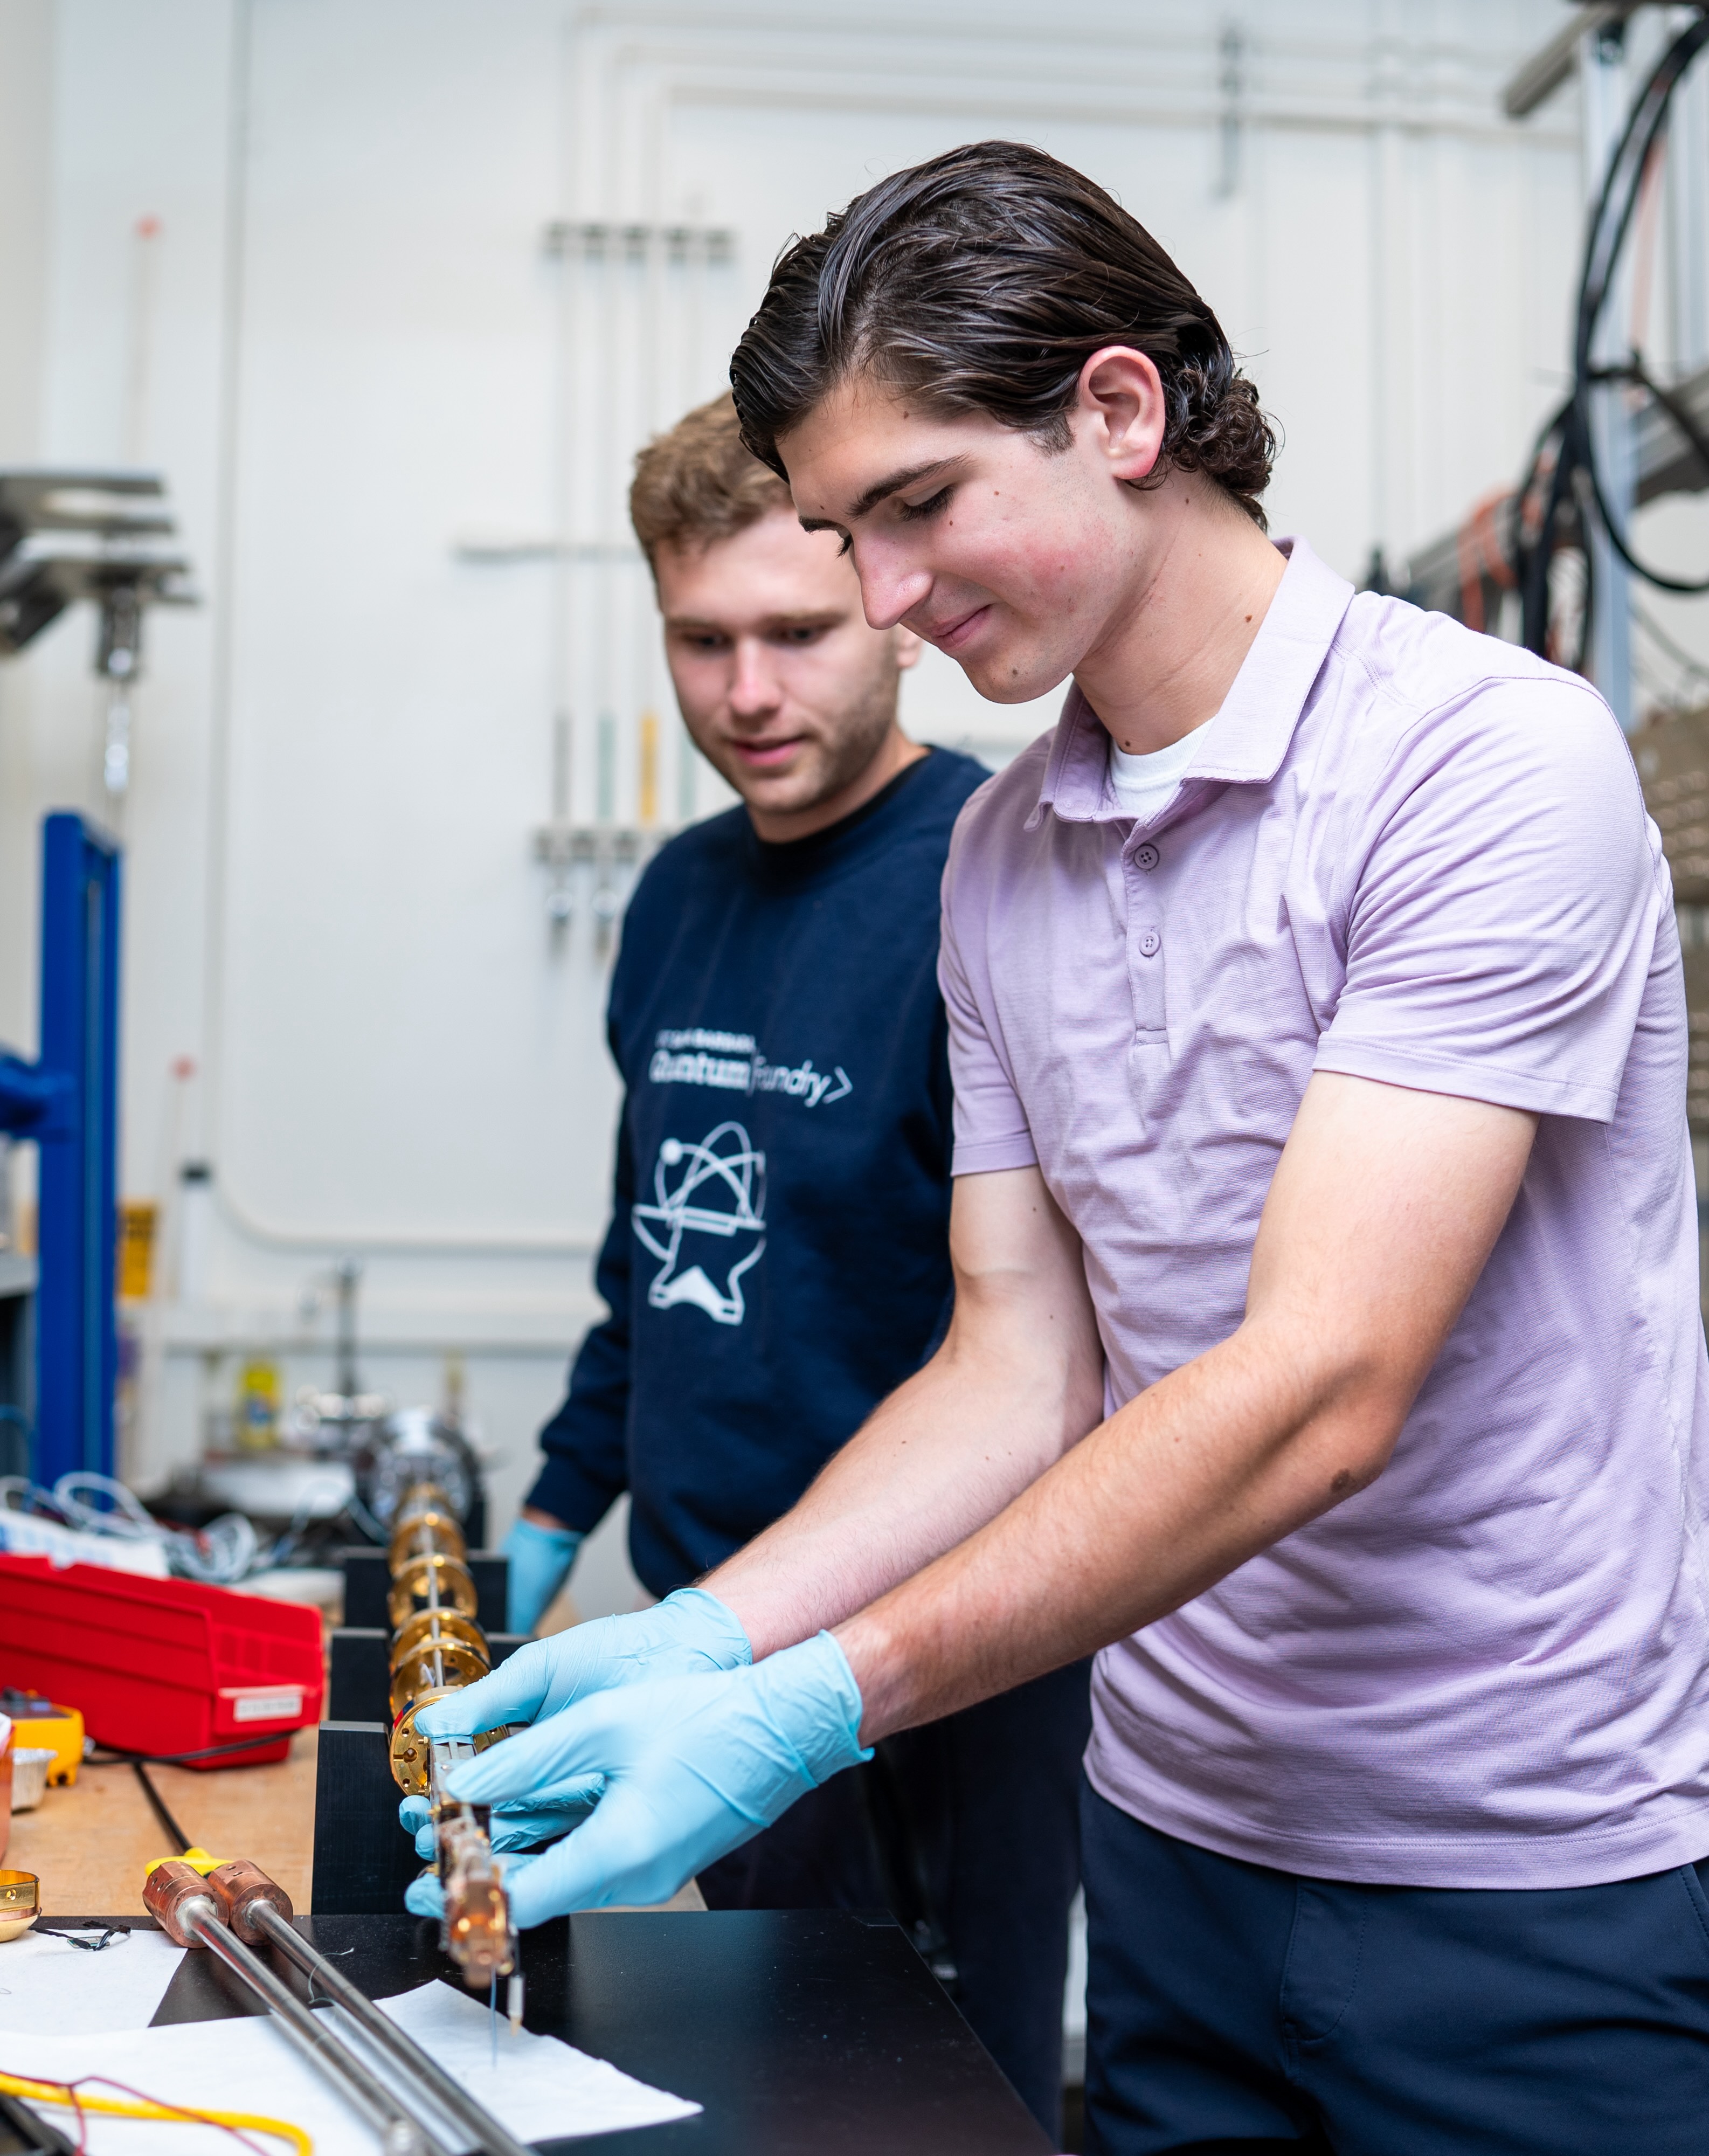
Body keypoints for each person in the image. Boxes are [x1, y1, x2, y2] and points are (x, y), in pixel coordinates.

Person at [421, 146, 1709, 2155]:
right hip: (1174, 1847)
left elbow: (1321, 1386)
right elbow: (1017, 1362)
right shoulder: (1001, 850)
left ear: (1120, 412)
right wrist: (709, 1628)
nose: (880, 599)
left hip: (1533, 1875)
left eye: (915, 509)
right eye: (837, 531)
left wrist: (818, 1695)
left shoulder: (1480, 761)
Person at [445, 390, 1089, 2139]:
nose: (746, 692)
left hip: (941, 1668)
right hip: (694, 1626)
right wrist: (554, 1523)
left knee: (934, 2107)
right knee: (729, 2096)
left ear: (882, 596)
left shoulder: (999, 875)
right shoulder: (676, 900)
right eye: (700, 639)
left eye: (796, 633)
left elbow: (1059, 1340)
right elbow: (646, 1258)